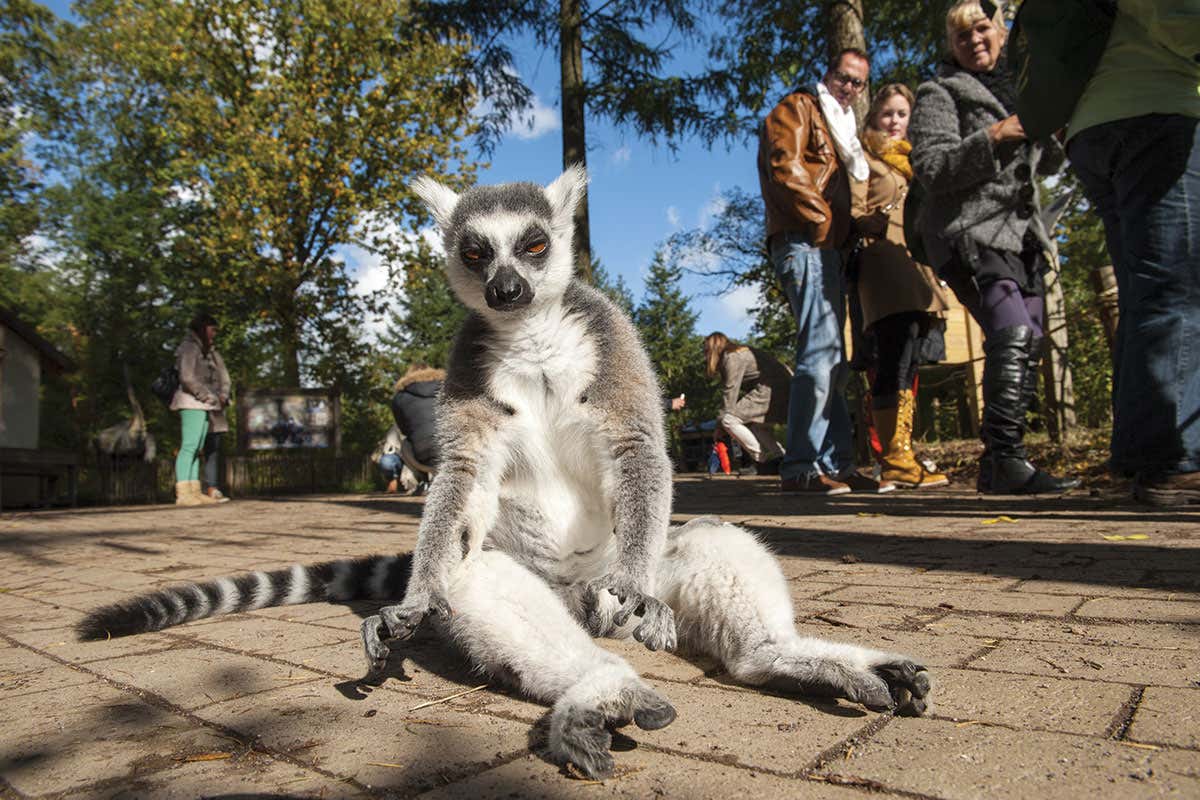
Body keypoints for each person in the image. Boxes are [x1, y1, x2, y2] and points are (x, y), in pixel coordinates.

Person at [909, 1, 1079, 495]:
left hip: (1022, 233)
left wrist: (1049, 130)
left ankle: (1003, 462)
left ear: (1001, 32)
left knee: (1026, 339)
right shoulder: (939, 92)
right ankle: (1004, 458)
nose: (974, 41)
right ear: (951, 46)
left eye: (982, 29)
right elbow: (933, 167)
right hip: (968, 230)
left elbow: (1043, 164)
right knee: (1012, 329)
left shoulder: (1022, 88)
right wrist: (995, 134)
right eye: (962, 36)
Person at [1055, 1, 1199, 506]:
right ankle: (1169, 459)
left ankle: (1137, 455)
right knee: (1173, 289)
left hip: (1094, 122)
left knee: (1144, 294)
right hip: (1153, 107)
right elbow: (1177, 18)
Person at [758, 47, 889, 496]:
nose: (849, 88)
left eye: (857, 83)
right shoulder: (797, 108)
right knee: (818, 353)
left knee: (833, 359)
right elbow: (786, 167)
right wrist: (819, 221)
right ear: (828, 74)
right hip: (805, 240)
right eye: (843, 77)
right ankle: (799, 467)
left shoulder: (842, 127)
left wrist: (853, 225)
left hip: (828, 245)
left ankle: (837, 463)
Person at [851, 84, 952, 489]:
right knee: (892, 355)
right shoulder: (865, 158)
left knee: (911, 358)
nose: (894, 122)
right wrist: (866, 221)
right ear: (874, 116)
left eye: (902, 114)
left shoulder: (914, 163)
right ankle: (892, 458)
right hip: (884, 263)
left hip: (917, 267)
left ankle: (902, 453)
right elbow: (855, 209)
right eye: (887, 113)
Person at [703, 333, 789, 476]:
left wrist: (719, 427)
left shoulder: (732, 357)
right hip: (784, 387)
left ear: (713, 348)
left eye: (706, 351)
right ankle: (780, 458)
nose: (705, 356)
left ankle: (763, 461)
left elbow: (729, 395)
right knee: (756, 425)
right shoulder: (740, 352)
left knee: (728, 420)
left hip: (771, 389)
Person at [170, 311, 231, 506]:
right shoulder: (189, 348)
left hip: (203, 404)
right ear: (203, 328)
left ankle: (194, 491)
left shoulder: (206, 350)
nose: (214, 334)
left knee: (197, 448)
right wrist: (206, 395)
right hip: (191, 402)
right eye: (212, 330)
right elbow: (187, 377)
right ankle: (183, 492)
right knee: (189, 446)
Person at [390, 363, 445, 491]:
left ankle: (423, 480)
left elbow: (404, 429)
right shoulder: (450, 387)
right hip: (456, 451)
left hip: (424, 456)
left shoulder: (399, 397)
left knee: (405, 443)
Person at [371, 424, 416, 494]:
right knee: (386, 462)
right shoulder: (396, 426)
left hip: (416, 456)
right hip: (397, 454)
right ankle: (392, 480)